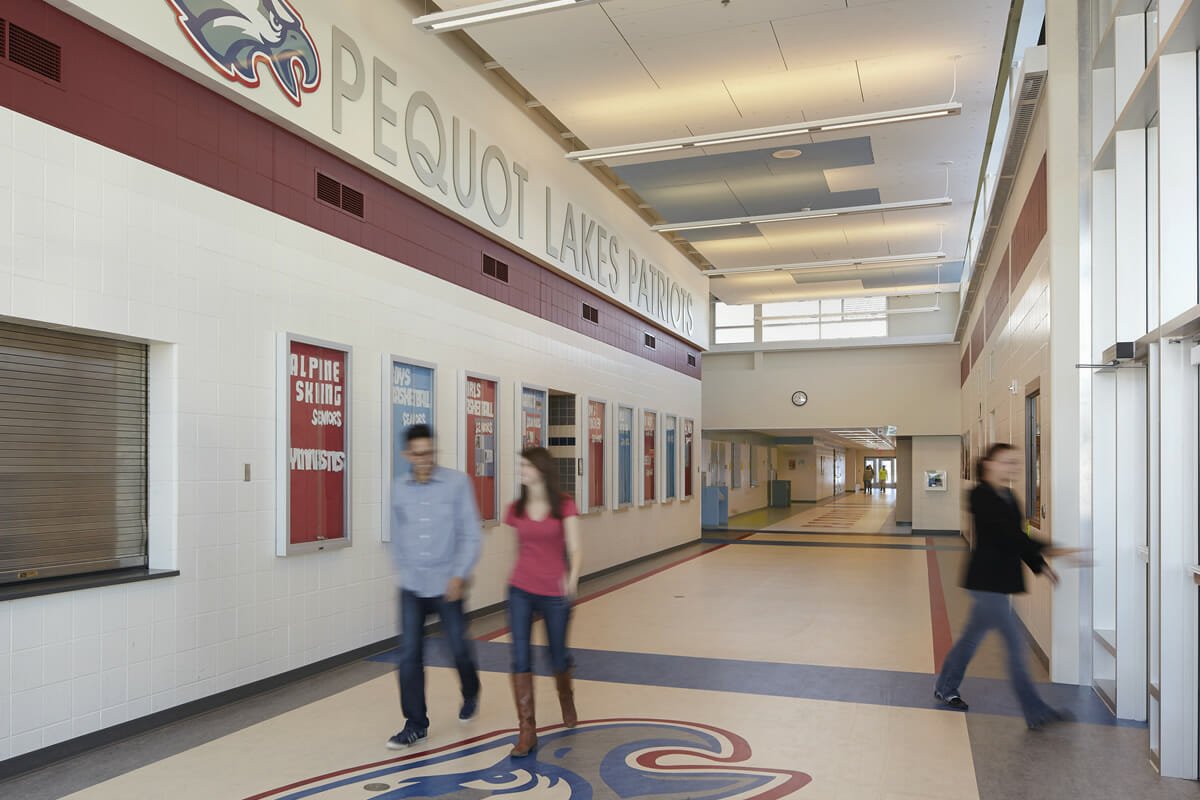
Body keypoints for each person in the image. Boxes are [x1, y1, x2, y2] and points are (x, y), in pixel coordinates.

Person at [934, 443, 1076, 730]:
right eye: (1006, 461)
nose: (1013, 466)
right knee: (1015, 647)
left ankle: (945, 687)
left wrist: (1041, 565)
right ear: (988, 464)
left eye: (1015, 462)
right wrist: (1051, 549)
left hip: (999, 582)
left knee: (969, 640)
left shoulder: (1010, 497)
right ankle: (1035, 712)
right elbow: (1004, 535)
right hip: (986, 584)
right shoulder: (979, 496)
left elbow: (1017, 537)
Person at [386, 424, 483, 749]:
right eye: (418, 454)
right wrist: (403, 568)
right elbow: (398, 534)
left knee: (457, 648)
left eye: (429, 452)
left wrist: (459, 574)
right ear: (406, 455)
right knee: (410, 655)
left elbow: (470, 533)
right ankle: (415, 723)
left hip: (447, 584)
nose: (425, 459)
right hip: (413, 585)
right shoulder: (398, 488)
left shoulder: (457, 484)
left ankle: (471, 690)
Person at [504, 446, 583, 757]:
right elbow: (521, 549)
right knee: (519, 658)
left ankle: (566, 693)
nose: (521, 470)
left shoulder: (564, 505)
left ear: (540, 470)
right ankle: (527, 731)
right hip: (520, 589)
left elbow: (575, 549)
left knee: (557, 656)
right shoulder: (516, 508)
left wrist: (572, 579)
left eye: (525, 465)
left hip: (555, 593)